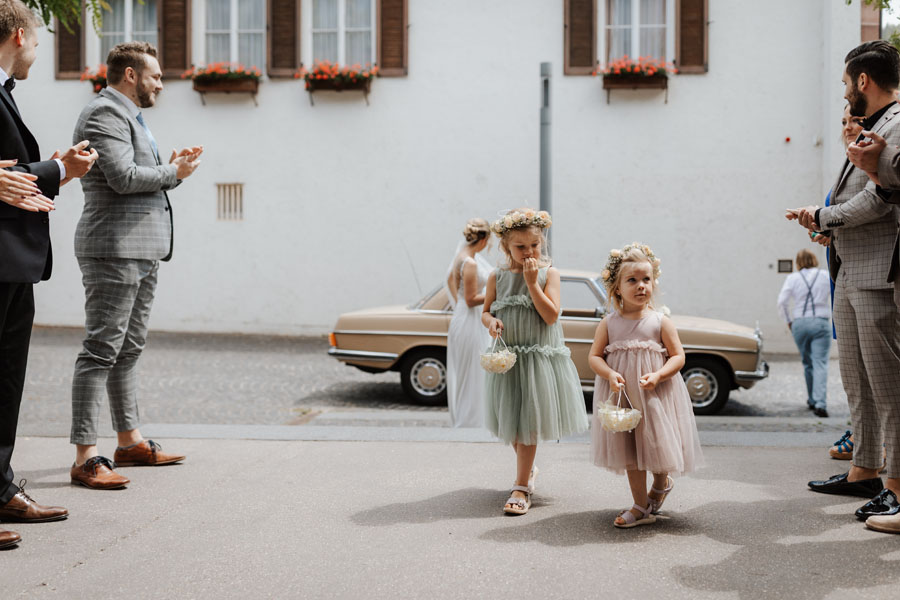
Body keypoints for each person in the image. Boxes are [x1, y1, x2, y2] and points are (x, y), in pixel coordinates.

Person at [68, 42, 203, 490]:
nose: (162, 85)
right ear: (130, 75)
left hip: (141, 249)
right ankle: (86, 457)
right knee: (100, 351)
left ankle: (129, 441)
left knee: (128, 349)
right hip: (114, 248)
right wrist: (174, 173)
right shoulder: (104, 113)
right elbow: (123, 179)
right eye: (156, 77)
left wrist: (172, 168)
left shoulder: (130, 117)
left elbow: (139, 177)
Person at [787, 40, 900, 525]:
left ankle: (895, 486)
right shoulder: (869, 128)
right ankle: (865, 472)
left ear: (862, 81)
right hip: (850, 268)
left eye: (845, 82)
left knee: (889, 386)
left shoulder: (895, 125)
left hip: (877, 272)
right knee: (858, 382)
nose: (844, 91)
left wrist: (823, 215)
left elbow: (878, 200)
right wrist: (827, 222)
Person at [0, 0, 98, 549]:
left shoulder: (5, 95)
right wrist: (63, 169)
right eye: (37, 42)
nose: (36, 52)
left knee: (8, 382)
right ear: (18, 35)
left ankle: (0, 487)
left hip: (16, 262)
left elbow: (11, 176)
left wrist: (54, 169)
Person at [481, 208, 588, 515]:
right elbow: (486, 310)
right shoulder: (496, 277)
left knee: (527, 425)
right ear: (506, 247)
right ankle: (527, 471)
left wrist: (531, 283)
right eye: (520, 247)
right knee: (514, 425)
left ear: (542, 244)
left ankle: (521, 487)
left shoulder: (548, 274)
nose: (529, 252)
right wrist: (490, 322)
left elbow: (551, 315)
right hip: (509, 359)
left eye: (534, 246)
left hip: (537, 358)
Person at [589, 243, 703, 528]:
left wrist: (659, 375)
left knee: (657, 444)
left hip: (654, 394)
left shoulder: (659, 321)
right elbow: (594, 356)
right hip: (625, 396)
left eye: (646, 279)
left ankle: (661, 484)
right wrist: (610, 374)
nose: (641, 286)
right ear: (616, 288)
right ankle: (640, 505)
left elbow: (678, 356)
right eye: (632, 280)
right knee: (630, 451)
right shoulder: (609, 323)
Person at [446, 218, 492, 428]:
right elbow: (472, 299)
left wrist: (458, 304)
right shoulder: (471, 263)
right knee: (473, 371)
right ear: (483, 239)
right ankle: (470, 421)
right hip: (470, 318)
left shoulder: (461, 257)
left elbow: (449, 281)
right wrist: (495, 293)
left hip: (463, 316)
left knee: (470, 370)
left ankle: (472, 417)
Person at [776, 249, 832, 417]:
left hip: (800, 322)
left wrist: (789, 321)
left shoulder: (792, 278)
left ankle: (811, 400)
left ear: (797, 262)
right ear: (814, 260)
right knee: (820, 363)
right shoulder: (824, 275)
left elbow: (782, 302)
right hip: (821, 322)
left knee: (807, 363)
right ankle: (820, 403)